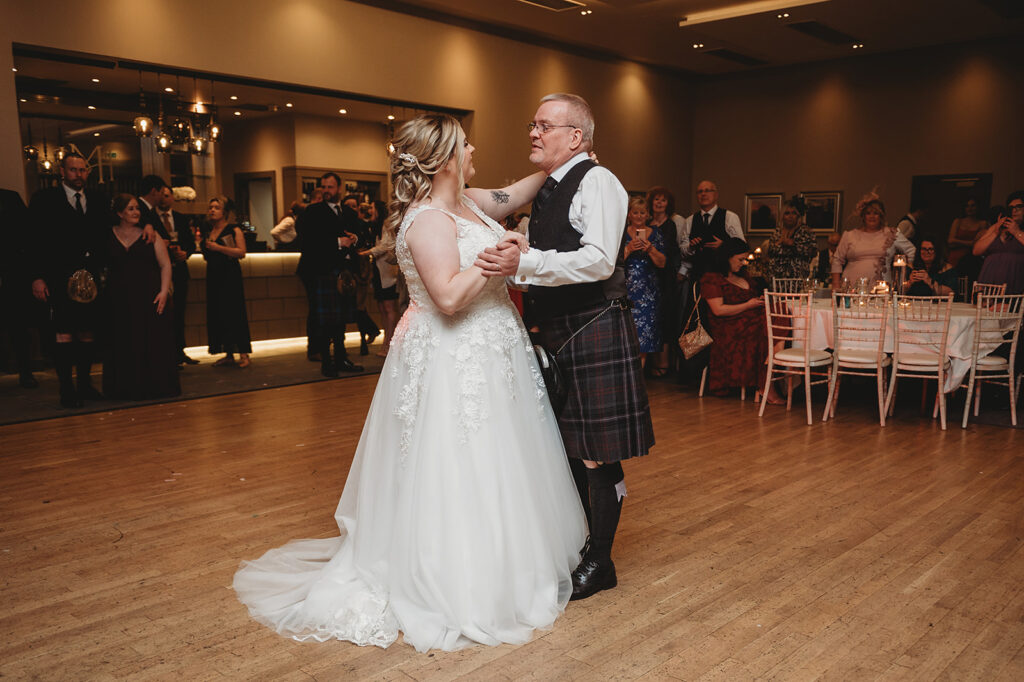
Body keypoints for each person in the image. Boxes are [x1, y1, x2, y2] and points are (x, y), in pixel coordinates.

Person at [234, 114, 586, 652]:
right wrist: (499, 260)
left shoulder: (469, 202)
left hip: (493, 348)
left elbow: (516, 190)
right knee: (454, 459)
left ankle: (505, 559)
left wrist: (563, 160)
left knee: (500, 457)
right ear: (445, 158)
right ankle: (453, 577)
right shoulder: (426, 221)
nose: (474, 151)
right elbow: (445, 297)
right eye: (466, 145)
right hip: (453, 352)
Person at [477, 93, 655, 601]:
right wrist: (524, 250)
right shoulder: (552, 188)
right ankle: (584, 549)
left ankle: (601, 560)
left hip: (595, 325)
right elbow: (560, 249)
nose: (533, 133)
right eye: (532, 124)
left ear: (576, 136)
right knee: (570, 448)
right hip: (560, 328)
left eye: (545, 126)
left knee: (596, 452)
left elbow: (599, 260)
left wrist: (525, 265)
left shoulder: (599, 181)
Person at [28, 153, 108, 408]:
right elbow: (33, 241)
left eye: (83, 170)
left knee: (87, 332)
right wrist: (37, 277)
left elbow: (108, 232)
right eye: (73, 170)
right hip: (57, 275)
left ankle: (85, 384)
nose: (79, 175)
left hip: (91, 276)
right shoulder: (44, 199)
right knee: (63, 333)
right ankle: (66, 388)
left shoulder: (97, 199)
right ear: (62, 171)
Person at [102, 195, 179, 399]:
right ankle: (125, 388)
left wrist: (164, 292)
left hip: (148, 296)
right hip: (118, 297)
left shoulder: (150, 236)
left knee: (151, 341)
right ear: (119, 213)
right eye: (130, 209)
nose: (136, 212)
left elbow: (165, 265)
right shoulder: (108, 235)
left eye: (137, 208)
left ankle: (154, 386)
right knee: (123, 341)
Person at [700, 238, 783, 403]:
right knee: (765, 329)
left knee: (780, 312)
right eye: (740, 259)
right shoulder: (712, 278)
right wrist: (748, 305)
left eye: (745, 259)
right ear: (727, 257)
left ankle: (776, 356)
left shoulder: (744, 275)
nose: (744, 263)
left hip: (749, 318)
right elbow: (718, 310)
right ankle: (769, 379)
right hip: (729, 327)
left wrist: (757, 301)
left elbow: (750, 301)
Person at [295, 173, 362, 376]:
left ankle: (341, 358)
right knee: (325, 321)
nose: (326, 190)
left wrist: (355, 238)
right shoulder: (313, 212)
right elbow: (307, 242)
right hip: (321, 271)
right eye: (323, 187)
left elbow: (359, 234)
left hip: (343, 272)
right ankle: (327, 362)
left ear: (339, 188)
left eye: (330, 187)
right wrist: (338, 242)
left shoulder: (348, 212)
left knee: (340, 319)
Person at [200, 195, 252, 367]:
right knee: (219, 313)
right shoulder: (208, 230)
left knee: (234, 312)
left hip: (230, 276)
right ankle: (228, 352)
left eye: (216, 207)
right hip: (214, 275)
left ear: (225, 212)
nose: (212, 210)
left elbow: (241, 252)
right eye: (211, 207)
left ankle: (244, 353)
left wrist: (218, 248)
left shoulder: (233, 229)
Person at [831, 194, 915, 290]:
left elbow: (912, 251)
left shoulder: (891, 233)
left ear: (881, 216)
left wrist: (903, 273)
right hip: (851, 287)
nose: (872, 216)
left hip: (881, 288)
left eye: (876, 213)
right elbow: (837, 260)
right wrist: (836, 284)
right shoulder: (849, 235)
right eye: (868, 213)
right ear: (863, 216)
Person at [0, 188, 38, 388]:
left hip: (11, 274)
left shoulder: (9, 198)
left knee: (18, 327)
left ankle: (25, 371)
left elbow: (27, 232)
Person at [622, 195, 665, 368]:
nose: (639, 216)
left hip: (648, 292)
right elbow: (613, 262)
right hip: (626, 290)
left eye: (642, 212)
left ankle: (639, 380)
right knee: (627, 336)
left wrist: (651, 250)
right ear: (629, 215)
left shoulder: (656, 233)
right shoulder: (621, 233)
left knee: (644, 339)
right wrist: (629, 249)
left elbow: (663, 263)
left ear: (647, 214)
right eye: (635, 212)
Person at [156, 185, 196, 365]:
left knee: (180, 313)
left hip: (180, 270)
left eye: (167, 196)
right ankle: (165, 354)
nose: (164, 199)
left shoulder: (180, 218)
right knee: (164, 314)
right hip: (160, 272)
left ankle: (180, 351)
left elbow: (191, 243)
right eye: (161, 196)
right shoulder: (150, 219)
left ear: (172, 197)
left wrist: (185, 253)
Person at [679, 180, 744, 280]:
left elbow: (742, 246)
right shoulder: (690, 220)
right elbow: (682, 250)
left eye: (707, 190)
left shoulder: (730, 217)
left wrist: (724, 246)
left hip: (723, 276)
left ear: (716, 195)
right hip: (698, 275)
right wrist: (691, 247)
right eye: (700, 192)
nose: (703, 194)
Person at [358, 200, 400, 356]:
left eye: (373, 208)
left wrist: (365, 253)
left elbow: (385, 246)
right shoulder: (375, 225)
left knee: (389, 309)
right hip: (379, 271)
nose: (370, 211)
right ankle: (386, 343)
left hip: (387, 272)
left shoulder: (387, 224)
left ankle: (390, 345)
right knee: (382, 308)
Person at [646, 186, 680, 376]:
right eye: (656, 200)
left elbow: (671, 253)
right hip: (647, 276)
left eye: (663, 200)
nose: (659, 203)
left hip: (665, 276)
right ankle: (649, 363)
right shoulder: (645, 222)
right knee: (650, 319)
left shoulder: (671, 225)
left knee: (664, 318)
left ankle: (664, 364)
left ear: (668, 204)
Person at [973, 191, 1024, 294]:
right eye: (1011, 208)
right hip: (989, 277)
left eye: (1019, 207)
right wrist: (996, 232)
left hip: (1015, 277)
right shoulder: (997, 226)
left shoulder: (1018, 231)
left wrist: (1016, 232)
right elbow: (976, 251)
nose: (1014, 210)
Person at [764, 196, 817, 282]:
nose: (790, 216)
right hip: (776, 277)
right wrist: (781, 241)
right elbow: (770, 250)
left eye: (794, 213)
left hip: (797, 279)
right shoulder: (777, 232)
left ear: (798, 216)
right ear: (782, 216)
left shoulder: (805, 231)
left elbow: (812, 251)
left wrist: (793, 245)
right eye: (787, 213)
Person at [947, 197, 987, 269]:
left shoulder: (982, 224)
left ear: (977, 207)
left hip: (971, 259)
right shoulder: (958, 221)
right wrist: (969, 243)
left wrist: (957, 242)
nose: (970, 208)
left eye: (973, 205)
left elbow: (978, 244)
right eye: (967, 206)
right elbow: (950, 241)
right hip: (954, 257)